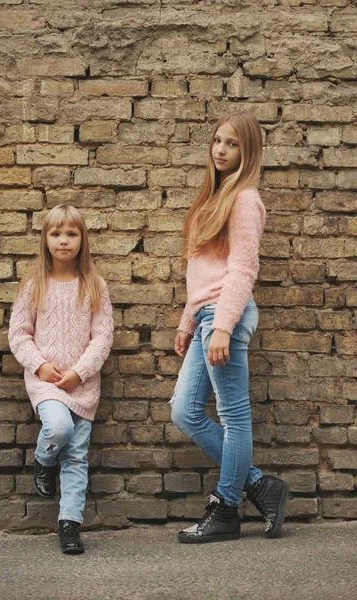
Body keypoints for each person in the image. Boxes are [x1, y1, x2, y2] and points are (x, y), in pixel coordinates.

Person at [170, 112, 289, 544]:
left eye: (232, 144)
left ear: (248, 151)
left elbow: (242, 269)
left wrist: (222, 325)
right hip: (207, 315)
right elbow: (201, 272)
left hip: (225, 315)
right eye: (217, 140)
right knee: (184, 411)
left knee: (235, 417)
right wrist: (189, 322)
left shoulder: (244, 200)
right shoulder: (214, 196)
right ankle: (259, 484)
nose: (220, 149)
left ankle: (226, 508)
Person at [9, 204, 114, 554]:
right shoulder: (33, 285)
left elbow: (103, 337)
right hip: (45, 382)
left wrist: (79, 372)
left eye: (71, 233)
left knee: (77, 457)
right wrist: (39, 365)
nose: (64, 240)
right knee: (57, 429)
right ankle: (44, 459)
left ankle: (70, 525)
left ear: (83, 240)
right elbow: (19, 334)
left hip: (82, 384)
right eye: (56, 234)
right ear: (45, 240)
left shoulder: (94, 285)